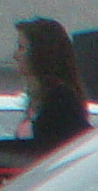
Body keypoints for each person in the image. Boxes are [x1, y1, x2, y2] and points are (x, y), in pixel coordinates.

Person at [13, 19, 84, 153]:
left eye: (21, 48)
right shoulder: (41, 98)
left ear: (40, 53)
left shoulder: (61, 99)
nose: (15, 55)